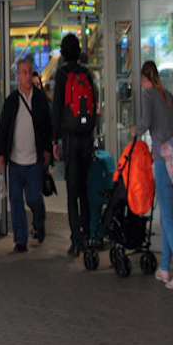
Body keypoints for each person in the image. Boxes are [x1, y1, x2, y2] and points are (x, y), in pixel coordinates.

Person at [133, 60, 173, 290]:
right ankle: (165, 269)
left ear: (144, 79)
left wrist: (135, 130)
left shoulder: (148, 95)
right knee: (167, 217)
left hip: (162, 163)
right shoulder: (166, 94)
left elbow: (146, 122)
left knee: (167, 219)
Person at [0, 59, 53, 252]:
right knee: (16, 201)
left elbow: (47, 127)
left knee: (33, 198)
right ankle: (21, 239)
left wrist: (47, 149)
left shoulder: (39, 100)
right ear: (18, 77)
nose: (28, 76)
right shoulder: (12, 101)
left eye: (30, 72)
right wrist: (1, 154)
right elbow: (3, 129)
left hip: (33, 160)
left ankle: (39, 221)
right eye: (24, 72)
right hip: (15, 160)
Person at [52, 34, 98, 257]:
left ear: (63, 52)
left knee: (71, 193)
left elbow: (57, 109)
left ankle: (76, 241)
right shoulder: (87, 74)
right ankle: (87, 236)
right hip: (86, 140)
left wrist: (54, 140)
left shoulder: (62, 75)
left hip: (70, 140)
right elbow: (94, 106)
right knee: (84, 191)